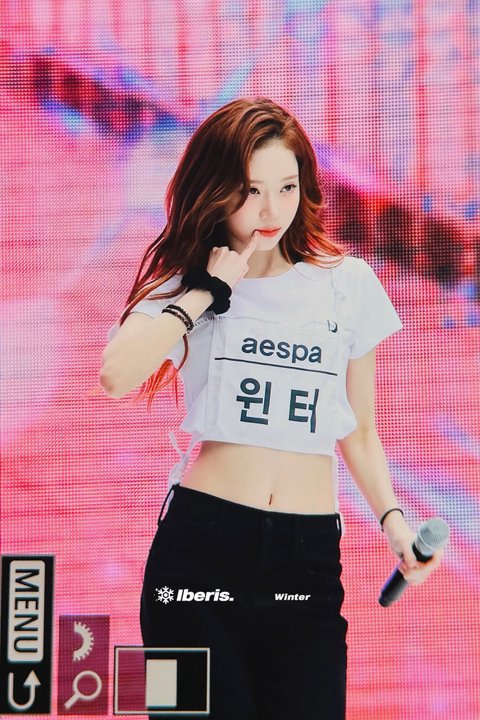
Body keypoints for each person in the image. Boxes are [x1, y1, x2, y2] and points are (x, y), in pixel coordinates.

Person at [100, 97, 443, 720]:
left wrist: (394, 523)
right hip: (198, 554)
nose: (271, 210)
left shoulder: (346, 284)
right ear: (215, 191)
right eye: (251, 190)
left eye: (286, 187)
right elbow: (116, 374)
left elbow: (359, 432)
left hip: (304, 561)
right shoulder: (186, 285)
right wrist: (205, 293)